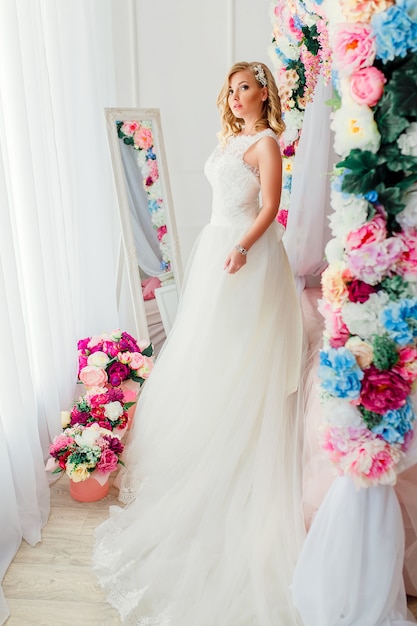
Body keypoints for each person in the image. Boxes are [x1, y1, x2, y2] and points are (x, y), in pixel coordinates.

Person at [93, 61, 305, 625]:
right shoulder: (232, 137)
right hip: (218, 249)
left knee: (239, 355)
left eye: (246, 88)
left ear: (265, 94)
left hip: (246, 256)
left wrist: (241, 247)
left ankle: (235, 451)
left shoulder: (266, 143)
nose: (236, 97)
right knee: (207, 354)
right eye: (232, 89)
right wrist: (225, 246)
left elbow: (270, 209)